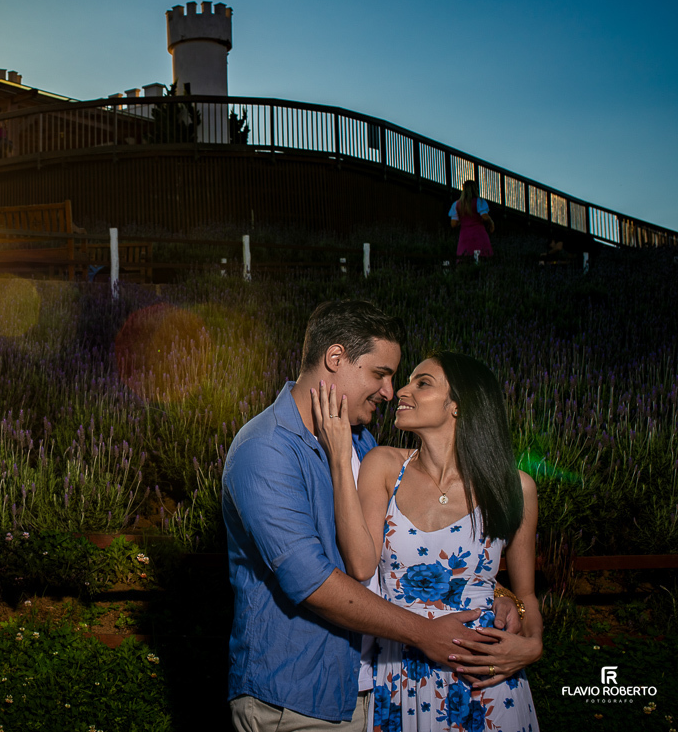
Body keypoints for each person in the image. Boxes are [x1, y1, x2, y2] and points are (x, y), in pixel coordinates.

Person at [223, 301, 533, 731]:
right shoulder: (266, 449)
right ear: (335, 358)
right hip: (298, 700)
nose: (389, 392)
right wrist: (425, 633)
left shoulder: (366, 445)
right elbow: (312, 583)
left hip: (378, 690)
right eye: (380, 374)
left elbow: (402, 552)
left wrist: (494, 593)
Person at [310, 351, 541, 731]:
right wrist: (339, 458)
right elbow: (361, 565)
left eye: (423, 383)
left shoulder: (515, 487)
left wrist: (532, 645)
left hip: (485, 676)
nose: (401, 390)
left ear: (458, 405)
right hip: (403, 673)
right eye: (408, 380)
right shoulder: (384, 466)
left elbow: (525, 595)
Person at [449, 180, 494, 260]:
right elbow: (484, 216)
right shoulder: (479, 202)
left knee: (465, 259)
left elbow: (453, 224)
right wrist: (491, 222)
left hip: (464, 237)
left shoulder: (456, 204)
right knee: (482, 259)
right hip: (479, 235)